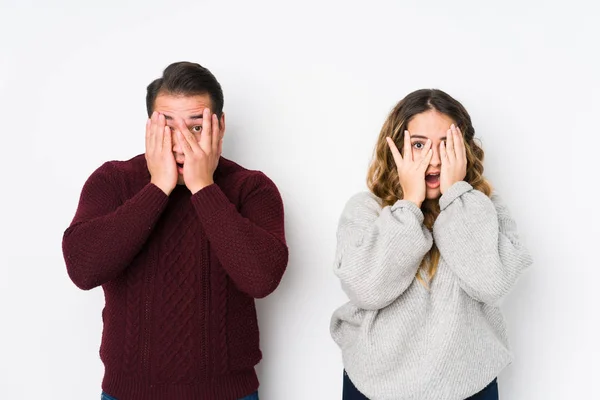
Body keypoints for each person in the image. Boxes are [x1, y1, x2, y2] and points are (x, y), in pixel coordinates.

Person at [62, 61, 288, 400]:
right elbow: (83, 270)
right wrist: (157, 188)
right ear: (150, 127)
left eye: (196, 128)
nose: (180, 145)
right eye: (167, 128)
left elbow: (261, 279)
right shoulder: (112, 181)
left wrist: (204, 188)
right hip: (129, 393)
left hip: (228, 394)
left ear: (220, 126)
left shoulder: (251, 188)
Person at [330, 89, 532, 400]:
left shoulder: (484, 208)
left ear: (463, 149)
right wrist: (410, 204)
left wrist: (456, 197)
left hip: (469, 384)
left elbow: (492, 283)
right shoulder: (366, 210)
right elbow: (366, 289)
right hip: (374, 385)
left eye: (446, 144)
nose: (434, 159)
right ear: (397, 149)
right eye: (419, 145)